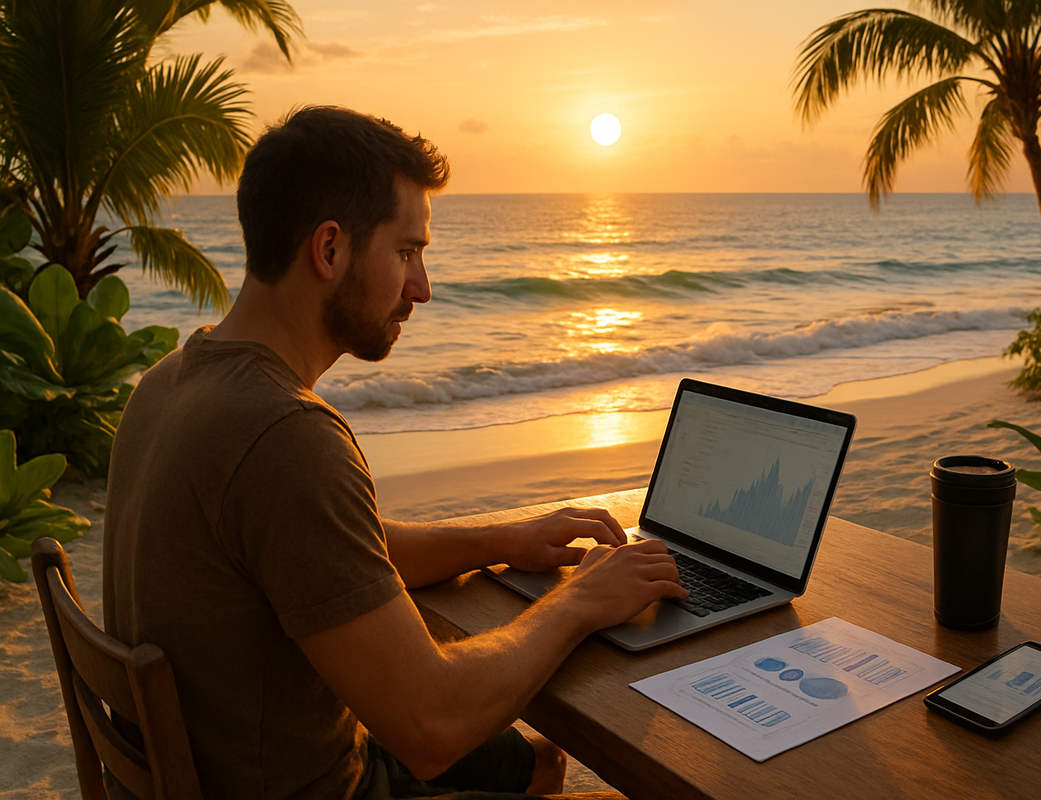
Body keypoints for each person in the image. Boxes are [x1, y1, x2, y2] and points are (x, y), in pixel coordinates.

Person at [102, 105, 688, 800]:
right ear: (329, 250)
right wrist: (581, 602)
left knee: (538, 763)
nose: (423, 288)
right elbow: (431, 725)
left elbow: (331, 552)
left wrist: (503, 538)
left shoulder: (170, 383)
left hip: (229, 769)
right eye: (407, 252)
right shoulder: (285, 436)